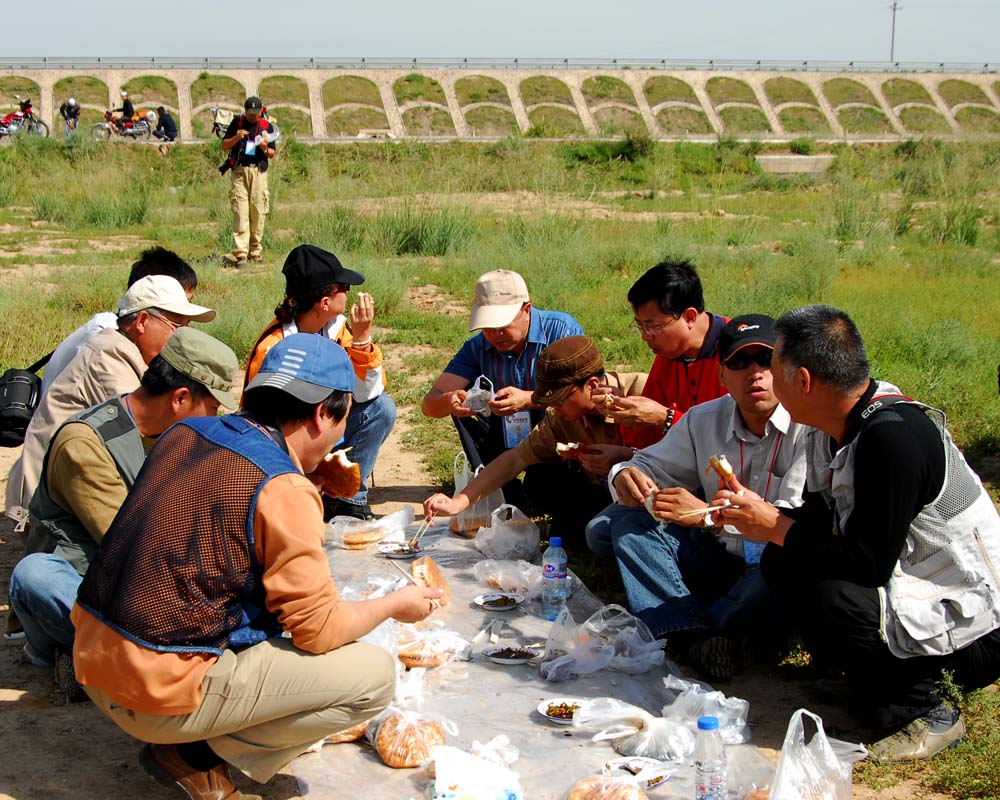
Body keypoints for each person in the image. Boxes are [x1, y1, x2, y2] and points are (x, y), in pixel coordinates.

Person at [71, 333, 441, 799]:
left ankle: (186, 737)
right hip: (153, 689)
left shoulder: (183, 432)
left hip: (94, 654)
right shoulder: (283, 488)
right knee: (372, 676)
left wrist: (303, 481)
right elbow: (319, 630)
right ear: (323, 413)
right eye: (341, 420)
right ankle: (193, 755)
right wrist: (395, 604)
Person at [715, 304, 1000, 761]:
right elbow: (818, 516)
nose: (763, 376)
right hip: (912, 593)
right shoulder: (828, 426)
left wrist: (776, 526)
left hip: (975, 626)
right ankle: (861, 676)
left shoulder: (893, 438)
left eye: (772, 366)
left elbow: (866, 563)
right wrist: (760, 516)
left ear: (803, 382)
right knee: (782, 558)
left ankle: (924, 708)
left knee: (834, 591)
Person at [9, 328, 239, 690]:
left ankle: (109, 654)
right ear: (180, 398)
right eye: (212, 407)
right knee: (35, 575)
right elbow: (132, 545)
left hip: (137, 585)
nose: (214, 419)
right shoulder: (85, 445)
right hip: (87, 583)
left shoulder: (175, 434)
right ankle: (71, 649)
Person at [586, 315, 811, 681]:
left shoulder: (808, 424)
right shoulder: (703, 419)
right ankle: (700, 635)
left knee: (769, 583)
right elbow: (646, 464)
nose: (754, 373)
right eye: (739, 362)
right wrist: (624, 475)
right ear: (722, 375)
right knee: (627, 527)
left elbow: (790, 520)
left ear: (784, 368)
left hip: (774, 561)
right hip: (716, 555)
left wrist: (707, 515)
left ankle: (689, 628)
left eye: (765, 361)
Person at [12, 275, 215, 526]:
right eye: (178, 327)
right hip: (47, 514)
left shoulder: (125, 349)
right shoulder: (109, 354)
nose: (184, 338)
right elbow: (144, 441)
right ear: (142, 321)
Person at [424, 336, 646, 542]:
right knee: (547, 492)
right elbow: (514, 459)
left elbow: (677, 451)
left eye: (560, 400)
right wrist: (458, 503)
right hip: (608, 495)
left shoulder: (643, 393)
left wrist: (627, 457)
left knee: (594, 533)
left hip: (654, 495)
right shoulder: (561, 417)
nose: (555, 408)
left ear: (592, 387)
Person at [243, 244, 396, 521]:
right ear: (325, 302)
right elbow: (262, 421)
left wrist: (362, 340)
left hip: (325, 431)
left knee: (382, 408)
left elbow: (369, 394)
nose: (349, 292)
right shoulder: (274, 348)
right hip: (287, 443)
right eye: (343, 287)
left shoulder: (339, 331)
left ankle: (349, 500)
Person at [422, 269, 584, 509]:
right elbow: (430, 404)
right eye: (487, 327)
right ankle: (499, 490)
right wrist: (450, 400)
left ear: (526, 310)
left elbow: (584, 396)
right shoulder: (478, 347)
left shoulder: (560, 331)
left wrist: (529, 399)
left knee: (546, 495)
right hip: (503, 435)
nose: (495, 335)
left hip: (555, 434)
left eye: (502, 325)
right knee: (465, 405)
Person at [608, 260, 729, 450]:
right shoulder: (668, 356)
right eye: (640, 326)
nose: (645, 336)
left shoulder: (738, 352)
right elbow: (644, 442)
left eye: (653, 326)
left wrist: (667, 419)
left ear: (689, 317)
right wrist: (621, 409)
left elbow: (738, 438)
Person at [221, 96, 276, 266]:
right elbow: (224, 145)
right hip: (239, 170)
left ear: (261, 111)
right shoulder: (237, 123)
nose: (252, 116)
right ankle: (241, 253)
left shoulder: (267, 126)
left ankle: (255, 250)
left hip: (258, 171)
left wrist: (263, 147)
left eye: (255, 113)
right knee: (240, 210)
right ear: (245, 111)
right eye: (249, 113)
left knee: (258, 210)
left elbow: (272, 153)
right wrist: (237, 137)